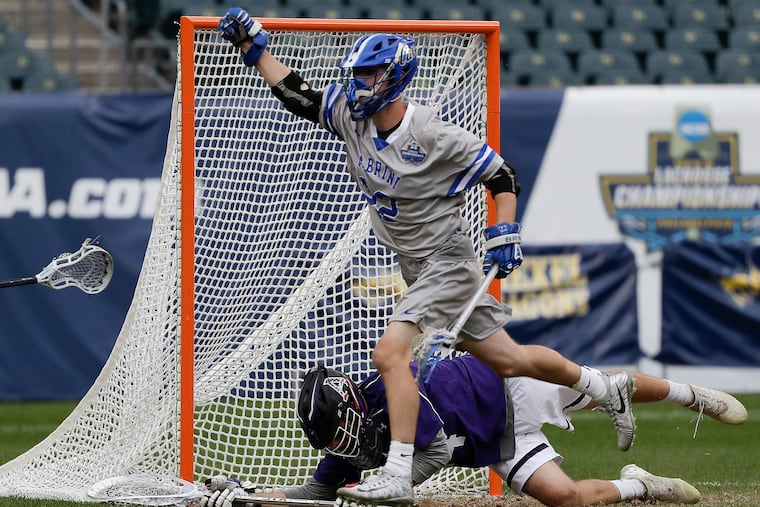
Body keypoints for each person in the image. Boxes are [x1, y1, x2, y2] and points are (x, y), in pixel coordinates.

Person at [216, 8, 638, 505]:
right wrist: (254, 51)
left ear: (394, 77)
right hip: (416, 265)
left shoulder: (433, 135)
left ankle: (396, 471)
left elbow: (502, 177)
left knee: (388, 354)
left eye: (369, 74)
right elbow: (300, 96)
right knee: (510, 359)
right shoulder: (353, 119)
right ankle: (604, 388)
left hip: (448, 261)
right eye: (356, 73)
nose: (358, 83)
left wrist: (504, 228)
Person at [202, 356, 747, 507]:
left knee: (610, 386)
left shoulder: (389, 392)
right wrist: (255, 497)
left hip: (507, 389)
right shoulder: (351, 436)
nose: (345, 451)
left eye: (342, 435)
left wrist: (390, 489)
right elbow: (318, 492)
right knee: (563, 498)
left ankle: (692, 396)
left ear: (352, 409)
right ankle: (642, 485)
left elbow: (434, 449)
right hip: (494, 442)